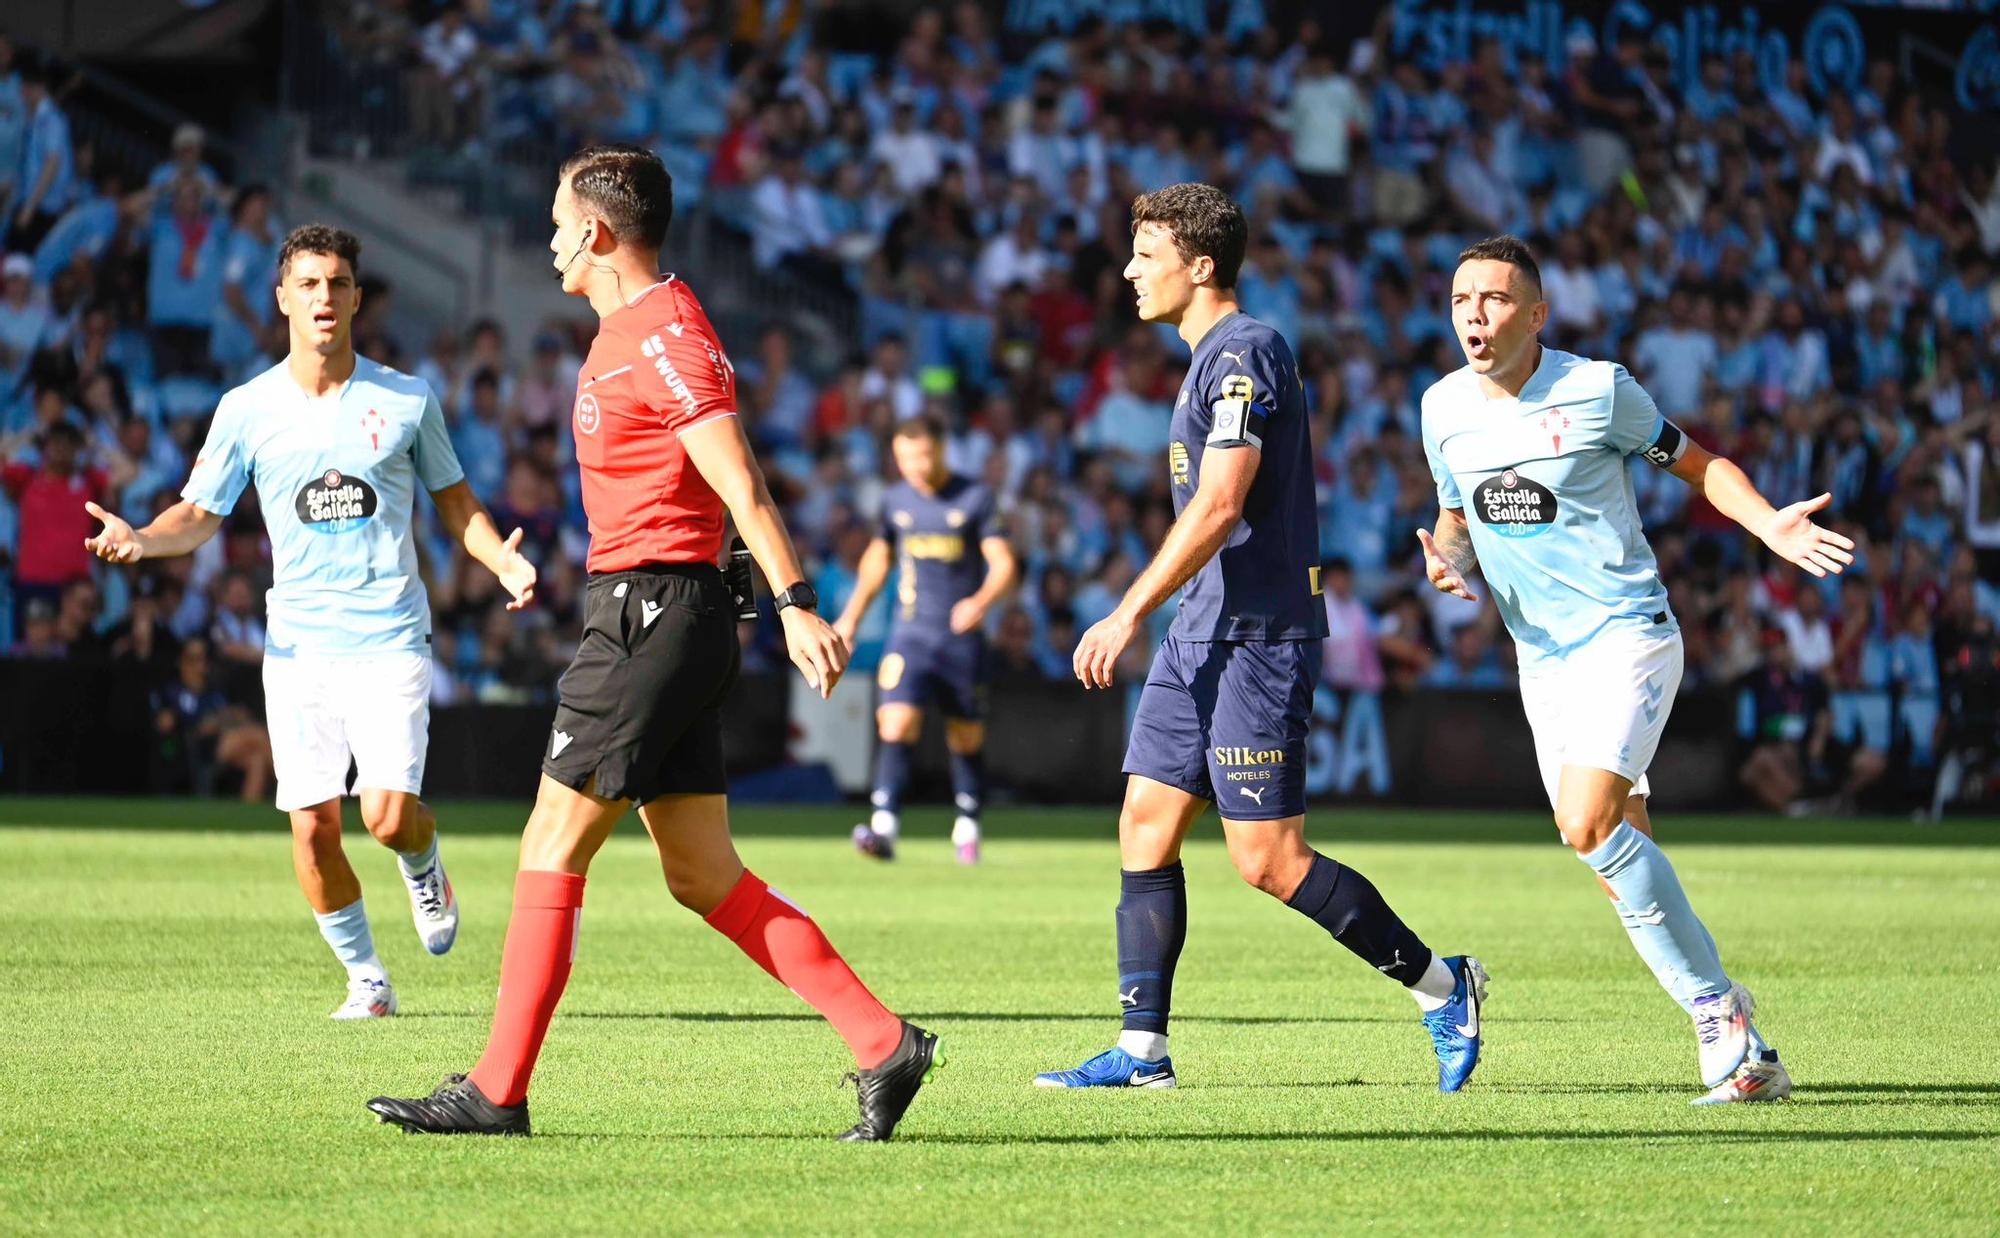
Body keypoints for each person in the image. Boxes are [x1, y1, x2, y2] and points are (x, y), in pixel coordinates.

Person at [366, 145, 939, 1141]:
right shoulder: (635, 328)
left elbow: (740, 479)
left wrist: (798, 597)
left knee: (550, 842)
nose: (549, 239)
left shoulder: (661, 330)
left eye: (555, 222)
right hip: (658, 610)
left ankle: (497, 1088)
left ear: (594, 231)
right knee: (700, 872)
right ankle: (882, 1041)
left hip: (652, 614)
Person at [1034, 184, 1486, 1093]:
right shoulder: (1205, 363)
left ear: (1201, 266)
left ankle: (1445, 987)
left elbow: (1222, 501)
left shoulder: (1246, 353)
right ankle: (1141, 1054)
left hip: (1258, 637)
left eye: (1145, 254)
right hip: (1195, 635)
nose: (1128, 271)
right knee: (1145, 827)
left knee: (1267, 860)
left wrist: (1125, 610)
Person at [1415, 235, 1854, 1104]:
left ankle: (1715, 1011)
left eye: (1496, 299)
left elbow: (1700, 466)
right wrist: (1449, 559)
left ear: (1536, 314)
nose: (1475, 314)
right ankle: (1748, 1052)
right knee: (1621, 852)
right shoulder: (1440, 409)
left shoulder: (1597, 388)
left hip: (1627, 636)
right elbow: (1456, 511)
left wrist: (1770, 526)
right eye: (1463, 299)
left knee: (1585, 826)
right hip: (1543, 662)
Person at [84, 224, 538, 1019]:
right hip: (296, 649)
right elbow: (198, 514)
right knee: (313, 832)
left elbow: (456, 504)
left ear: (356, 298)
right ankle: (367, 979)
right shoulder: (246, 408)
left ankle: (422, 856)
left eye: (337, 284)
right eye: (309, 284)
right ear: (283, 298)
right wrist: (141, 540)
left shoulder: (407, 398)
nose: (324, 298)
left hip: (392, 636)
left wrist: (504, 561)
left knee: (387, 816)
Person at [833, 414, 1017, 864]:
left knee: (965, 734)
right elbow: (877, 562)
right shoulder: (894, 501)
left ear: (940, 450)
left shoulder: (974, 497)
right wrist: (850, 619)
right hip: (910, 633)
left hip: (960, 637)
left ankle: (967, 827)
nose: (912, 467)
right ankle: (884, 828)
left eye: (920, 456)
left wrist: (982, 601)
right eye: (903, 458)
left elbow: (1004, 563)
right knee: (895, 722)